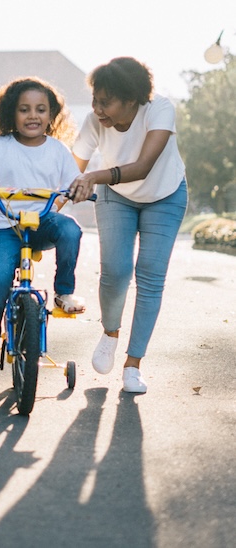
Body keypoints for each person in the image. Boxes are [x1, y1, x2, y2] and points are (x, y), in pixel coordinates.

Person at [0, 76, 85, 380]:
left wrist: (75, 192)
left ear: (51, 115)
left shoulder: (58, 150)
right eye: (24, 109)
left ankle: (64, 292)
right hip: (4, 225)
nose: (33, 116)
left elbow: (72, 184)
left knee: (71, 230)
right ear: (12, 113)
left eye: (41, 109)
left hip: (41, 223)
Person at [69, 56, 188, 394]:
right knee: (116, 271)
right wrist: (54, 200)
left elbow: (143, 166)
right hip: (116, 197)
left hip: (165, 194)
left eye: (105, 101)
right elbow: (70, 169)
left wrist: (93, 176)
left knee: (150, 275)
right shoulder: (95, 121)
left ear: (132, 99)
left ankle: (133, 365)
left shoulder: (159, 110)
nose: (97, 108)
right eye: (94, 99)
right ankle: (110, 333)